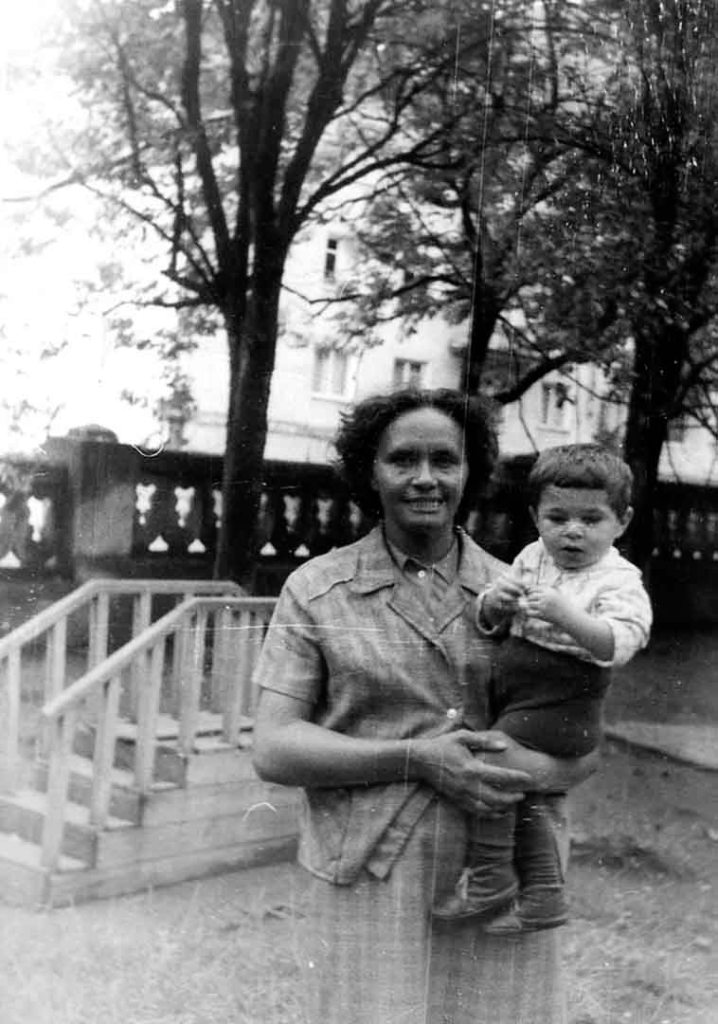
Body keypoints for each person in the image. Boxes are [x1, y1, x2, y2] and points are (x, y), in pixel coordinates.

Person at [252, 389, 596, 1024]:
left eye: (445, 460)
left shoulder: (526, 594)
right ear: (370, 472)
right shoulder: (317, 590)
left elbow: (581, 745)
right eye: (402, 460)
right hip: (367, 865)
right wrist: (419, 758)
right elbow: (273, 747)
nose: (425, 479)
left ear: (471, 472)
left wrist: (517, 771)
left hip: (502, 868)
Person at [433, 443, 652, 933]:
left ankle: (491, 877)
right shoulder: (533, 557)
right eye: (557, 517)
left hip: (564, 703)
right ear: (535, 517)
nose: (572, 531)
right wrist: (495, 603)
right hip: (520, 698)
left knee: (489, 762)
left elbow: (618, 643)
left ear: (622, 522)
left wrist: (566, 614)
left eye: (591, 519)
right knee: (526, 794)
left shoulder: (618, 580)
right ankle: (545, 895)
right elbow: (489, 621)